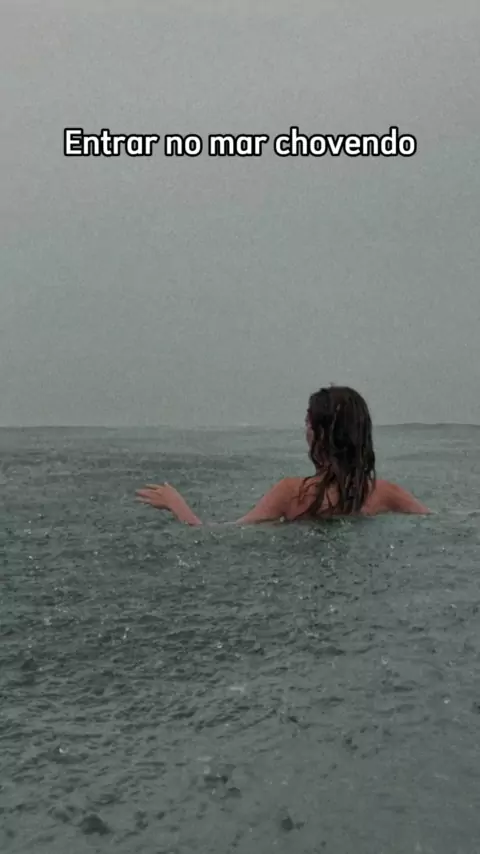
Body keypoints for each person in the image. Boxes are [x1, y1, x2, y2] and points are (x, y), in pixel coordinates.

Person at [136, 385, 431, 526]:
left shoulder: (292, 492)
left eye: (307, 422)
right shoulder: (386, 493)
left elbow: (215, 535)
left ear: (318, 434)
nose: (305, 429)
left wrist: (176, 504)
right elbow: (435, 523)